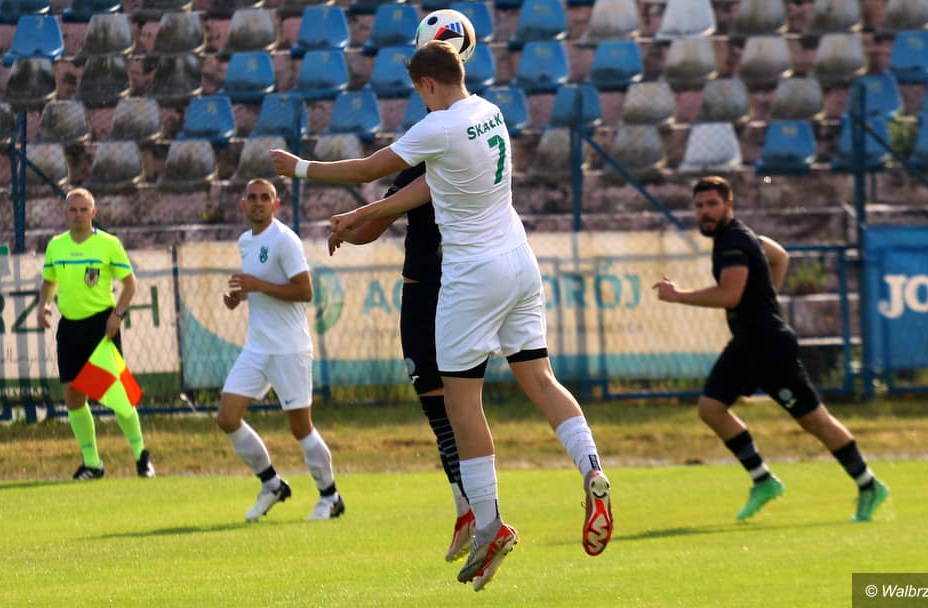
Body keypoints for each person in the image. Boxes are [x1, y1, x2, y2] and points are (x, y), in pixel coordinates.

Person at [272, 41, 613, 591]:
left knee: (461, 403)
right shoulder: (490, 112)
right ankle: (592, 467)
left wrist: (301, 168)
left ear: (427, 83)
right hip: (520, 262)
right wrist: (364, 214)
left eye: (419, 91)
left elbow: (368, 167)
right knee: (541, 379)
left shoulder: (438, 126)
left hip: (472, 276)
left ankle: (490, 524)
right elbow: (432, 183)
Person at [653, 176, 890, 522]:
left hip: (768, 347)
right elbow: (780, 256)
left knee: (814, 421)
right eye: (700, 206)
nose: (705, 212)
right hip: (748, 343)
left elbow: (730, 295)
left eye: (713, 204)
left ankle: (868, 484)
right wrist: (766, 295)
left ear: (729, 205)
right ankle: (763, 480)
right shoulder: (741, 236)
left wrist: (678, 296)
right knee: (711, 408)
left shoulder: (733, 242)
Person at [328, 162, 474, 562]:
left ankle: (475, 512)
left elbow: (370, 228)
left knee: (439, 407)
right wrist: (348, 230)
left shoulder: (421, 172)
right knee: (463, 404)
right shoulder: (472, 164)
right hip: (471, 288)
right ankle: (472, 509)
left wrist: (344, 230)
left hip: (426, 294)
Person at [216, 178, 344, 523]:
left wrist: (257, 285)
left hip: (289, 348)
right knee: (227, 417)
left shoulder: (285, 240)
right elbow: (262, 287)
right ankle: (272, 484)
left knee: (300, 427)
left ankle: (330, 496)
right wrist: (241, 296)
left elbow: (304, 291)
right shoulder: (246, 241)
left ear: (276, 205)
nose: (258, 203)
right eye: (252, 197)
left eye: (265, 198)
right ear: (244, 204)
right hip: (257, 347)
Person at [37, 188, 155, 480]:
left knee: (117, 395)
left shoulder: (109, 244)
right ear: (65, 213)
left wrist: (118, 315)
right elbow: (49, 281)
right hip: (69, 328)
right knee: (73, 397)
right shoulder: (56, 246)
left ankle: (141, 456)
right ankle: (92, 463)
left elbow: (130, 284)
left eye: (83, 209)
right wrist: (44, 305)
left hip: (101, 327)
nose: (78, 215)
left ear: (94, 212)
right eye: (73, 210)